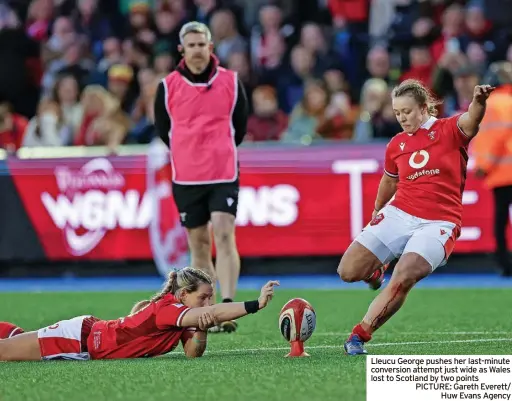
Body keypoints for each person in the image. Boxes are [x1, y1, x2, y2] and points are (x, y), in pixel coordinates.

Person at [337, 79, 495, 355]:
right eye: (397, 112)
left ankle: (359, 335)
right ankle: (375, 270)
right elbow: (390, 180)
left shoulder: (449, 130)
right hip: (399, 213)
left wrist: (479, 101)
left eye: (407, 111)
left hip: (439, 222)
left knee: (404, 275)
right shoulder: (396, 144)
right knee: (347, 272)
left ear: (424, 108)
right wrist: (377, 209)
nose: (401, 118)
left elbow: (472, 119)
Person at [153, 21, 249, 333]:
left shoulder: (231, 82)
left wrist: (216, 150)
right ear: (181, 49)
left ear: (211, 47)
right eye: (191, 45)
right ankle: (207, 311)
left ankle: (228, 305)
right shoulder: (167, 87)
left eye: (201, 44)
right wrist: (188, 151)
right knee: (198, 243)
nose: (197, 50)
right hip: (186, 176)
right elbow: (163, 129)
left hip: (223, 172)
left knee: (224, 232)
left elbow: (240, 127)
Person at [0, 267, 279, 361]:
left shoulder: (182, 316)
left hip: (87, 341)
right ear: (183, 295)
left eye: (210, 297)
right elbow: (218, 313)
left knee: (14, 341)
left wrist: (202, 330)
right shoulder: (168, 310)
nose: (208, 303)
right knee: (4, 353)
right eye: (203, 297)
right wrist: (257, 304)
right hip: (78, 340)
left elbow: (193, 353)